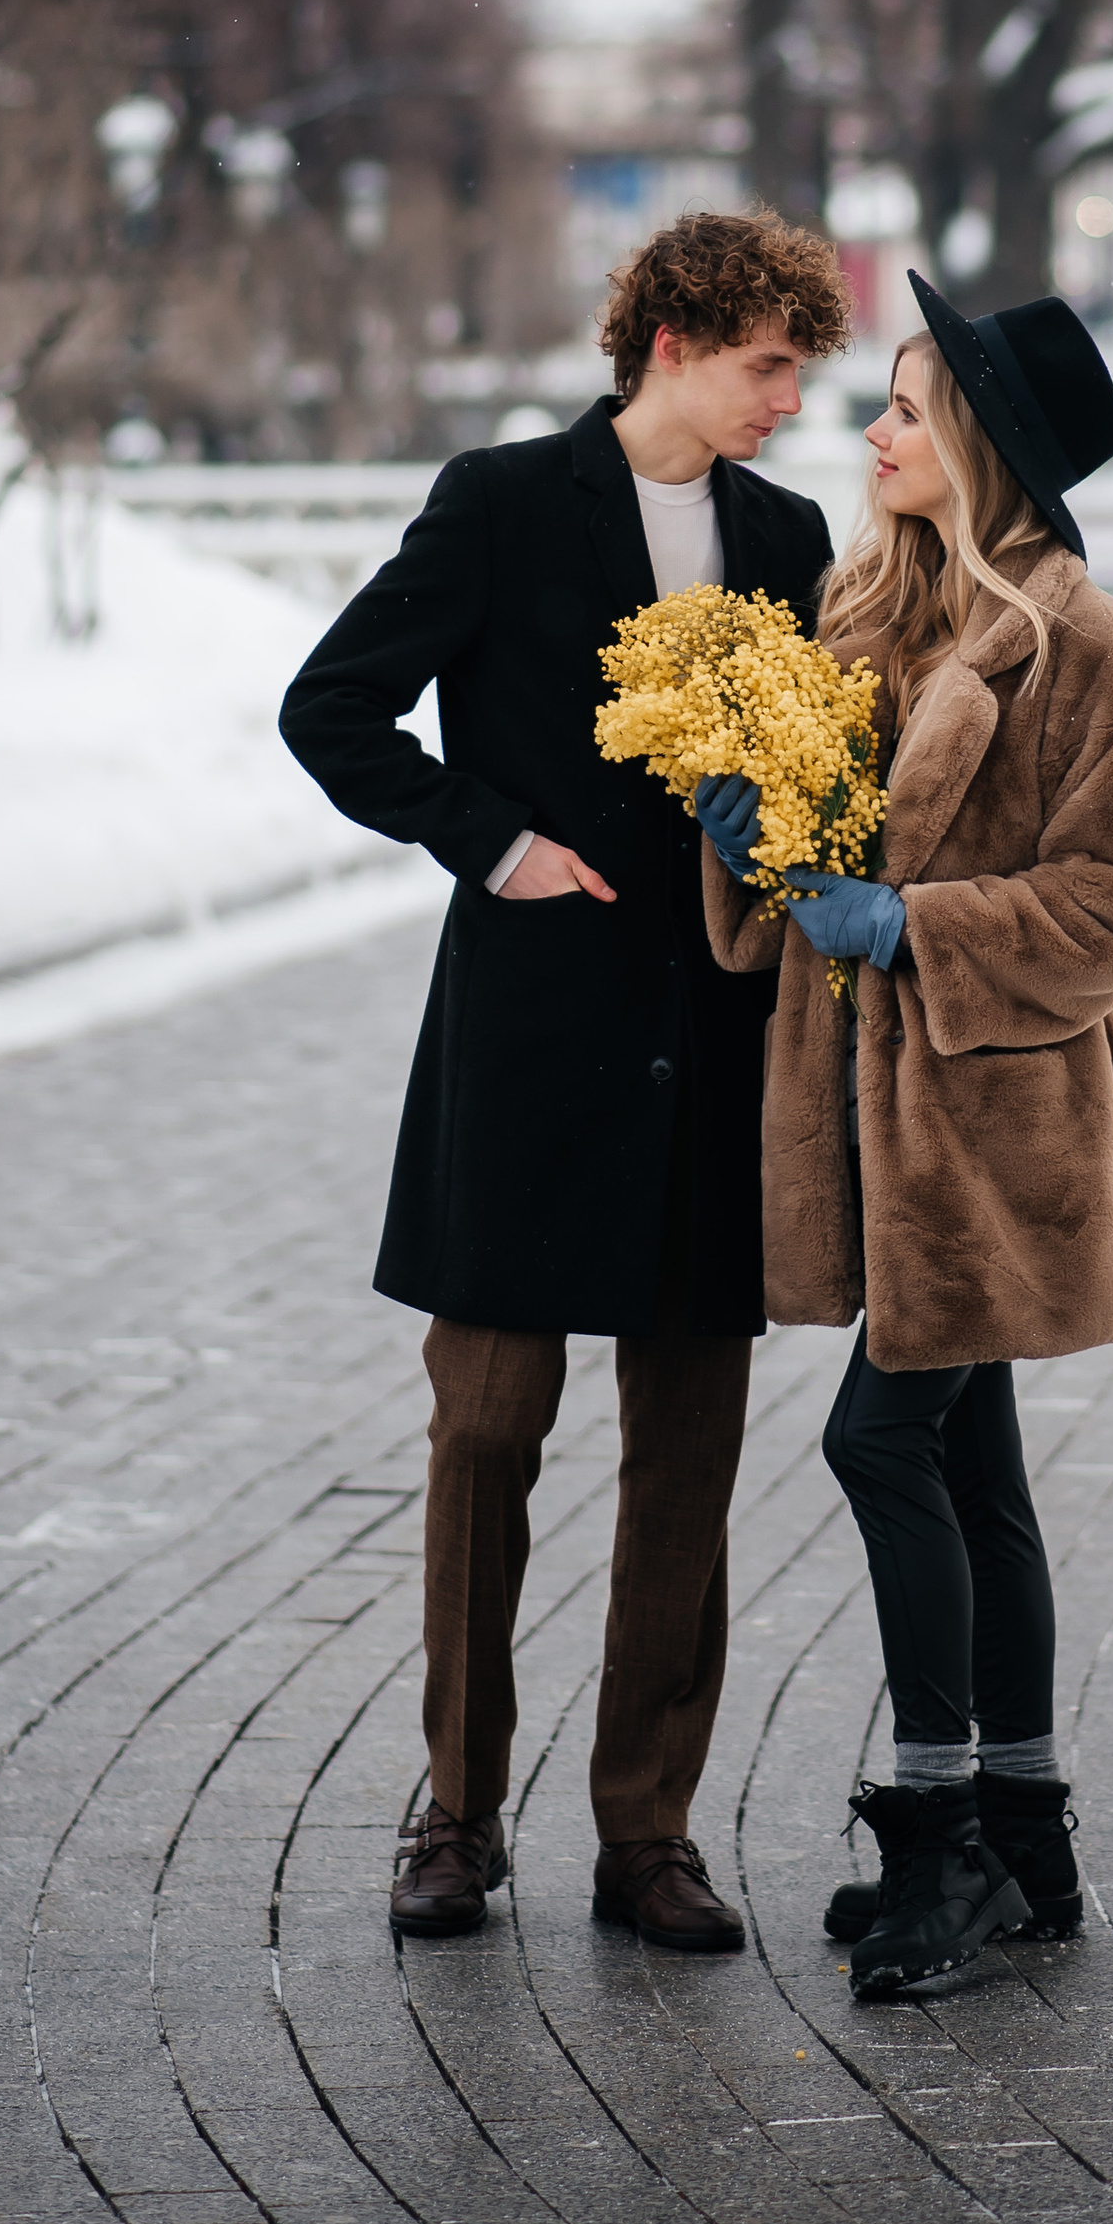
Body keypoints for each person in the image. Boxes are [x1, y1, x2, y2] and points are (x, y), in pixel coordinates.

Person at [278, 210, 847, 1953]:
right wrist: (491, 838)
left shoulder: (787, 535)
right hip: (528, 1046)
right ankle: (455, 1811)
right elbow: (336, 707)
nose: (789, 402)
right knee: (485, 1430)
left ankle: (648, 1831)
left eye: (806, 373)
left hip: (715, 1052)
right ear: (672, 336)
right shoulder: (501, 500)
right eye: (769, 364)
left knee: (685, 1453)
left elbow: (814, 782)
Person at [695, 268, 1113, 1999]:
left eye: (907, 405)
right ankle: (1027, 1827)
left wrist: (922, 929)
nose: (876, 428)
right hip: (870, 1119)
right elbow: (792, 908)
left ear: (981, 443)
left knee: (880, 1446)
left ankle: (942, 1838)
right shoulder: (860, 615)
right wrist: (751, 843)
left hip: (994, 1130)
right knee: (975, 1469)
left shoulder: (1081, 643)